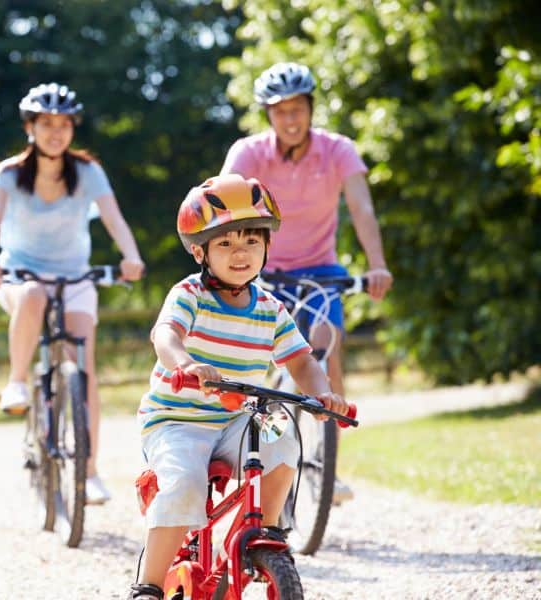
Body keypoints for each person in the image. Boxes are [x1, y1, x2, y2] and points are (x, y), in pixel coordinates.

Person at [128, 174, 347, 600]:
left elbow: (301, 360)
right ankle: (148, 585)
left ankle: (263, 532)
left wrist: (321, 393)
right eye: (225, 243)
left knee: (283, 435)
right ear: (200, 251)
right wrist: (186, 363)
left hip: (236, 418)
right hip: (178, 420)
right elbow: (165, 336)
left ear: (267, 246)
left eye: (251, 241)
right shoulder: (189, 294)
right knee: (185, 483)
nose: (240, 252)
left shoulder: (269, 308)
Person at [220, 62, 393, 503]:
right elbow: (224, 204)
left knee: (324, 342)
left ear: (311, 108)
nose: (291, 119)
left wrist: (377, 264)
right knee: (255, 360)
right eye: (280, 111)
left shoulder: (338, 150)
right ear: (268, 115)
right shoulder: (249, 152)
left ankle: (326, 465)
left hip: (320, 269)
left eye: (298, 109)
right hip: (264, 271)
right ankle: (247, 449)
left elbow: (362, 210)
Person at [0, 82, 145, 504]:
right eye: (46, 123)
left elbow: (114, 219)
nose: (56, 132)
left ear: (73, 129)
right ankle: (16, 382)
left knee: (82, 368)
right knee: (32, 296)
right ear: (30, 127)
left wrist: (131, 256)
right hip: (20, 275)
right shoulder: (9, 174)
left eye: (64, 124)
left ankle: (88, 473)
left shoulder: (87, 171)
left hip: (74, 278)